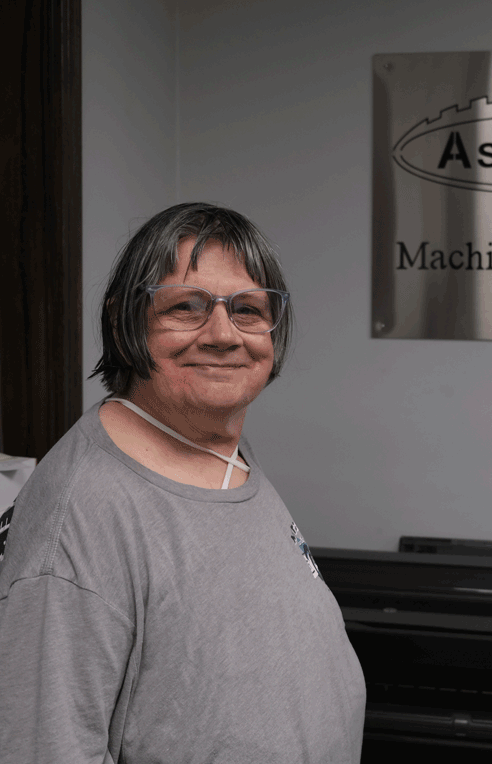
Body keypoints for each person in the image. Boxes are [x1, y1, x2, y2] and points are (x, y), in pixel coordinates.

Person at [0, 202, 366, 763]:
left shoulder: (219, 449)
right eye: (186, 307)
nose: (223, 335)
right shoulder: (84, 511)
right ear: (125, 319)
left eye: (247, 310)